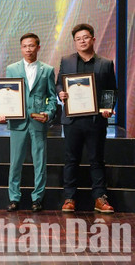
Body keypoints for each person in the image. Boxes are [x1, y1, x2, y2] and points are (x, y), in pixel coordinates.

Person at [56, 23, 116, 213]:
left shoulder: (105, 63)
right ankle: (69, 198)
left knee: (96, 160)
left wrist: (108, 107)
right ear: (75, 42)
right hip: (72, 120)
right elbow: (59, 84)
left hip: (95, 120)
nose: (82, 41)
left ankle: (100, 198)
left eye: (85, 37)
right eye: (78, 39)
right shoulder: (66, 61)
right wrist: (60, 94)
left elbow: (111, 90)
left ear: (93, 39)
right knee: (71, 159)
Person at [0, 32, 57, 212]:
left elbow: (52, 98)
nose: (28, 49)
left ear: (38, 47)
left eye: (32, 46)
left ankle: (37, 199)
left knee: (40, 161)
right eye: (25, 46)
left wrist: (48, 113)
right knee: (15, 162)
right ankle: (14, 198)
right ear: (21, 48)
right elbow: (6, 94)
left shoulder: (47, 69)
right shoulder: (12, 69)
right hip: (17, 122)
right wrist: (4, 112)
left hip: (38, 121)